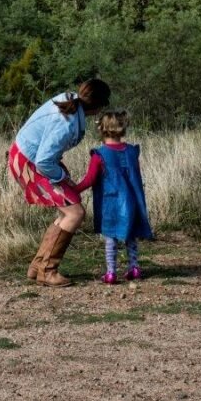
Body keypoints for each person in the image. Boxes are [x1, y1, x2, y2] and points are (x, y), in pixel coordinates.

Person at [8, 77, 112, 287]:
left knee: (68, 210)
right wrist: (62, 177)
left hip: (28, 157)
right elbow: (44, 160)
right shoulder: (67, 123)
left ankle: (38, 266)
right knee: (75, 213)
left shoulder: (69, 100)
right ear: (98, 105)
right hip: (30, 162)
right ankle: (47, 270)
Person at [75, 109, 153, 285]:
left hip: (110, 202)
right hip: (133, 200)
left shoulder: (100, 155)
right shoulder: (132, 152)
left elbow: (89, 180)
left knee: (111, 237)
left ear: (101, 129)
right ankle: (134, 267)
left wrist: (74, 189)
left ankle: (111, 272)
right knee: (131, 234)